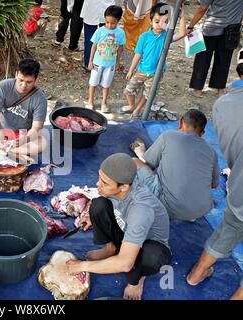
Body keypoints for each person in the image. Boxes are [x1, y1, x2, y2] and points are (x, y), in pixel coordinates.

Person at [66, 153, 171, 300]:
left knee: (150, 257)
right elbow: (105, 205)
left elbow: (125, 264)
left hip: (148, 245)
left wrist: (81, 266)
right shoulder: (118, 187)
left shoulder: (141, 209)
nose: (98, 184)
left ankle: (138, 279)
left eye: (105, 183)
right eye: (99, 178)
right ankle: (111, 249)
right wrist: (92, 217)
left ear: (123, 187)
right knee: (97, 205)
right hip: (126, 230)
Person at [186, 48, 243, 300]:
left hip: (240, 187)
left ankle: (197, 273)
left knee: (227, 230)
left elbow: (231, 153)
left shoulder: (224, 104)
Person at [130, 109, 219, 221]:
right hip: (200, 211)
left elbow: (149, 164)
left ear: (180, 123)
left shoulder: (168, 136)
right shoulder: (212, 151)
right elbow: (214, 185)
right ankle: (188, 213)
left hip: (168, 207)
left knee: (134, 162)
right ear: (202, 133)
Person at [119, 3, 186, 118]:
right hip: (141, 71)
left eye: (164, 22)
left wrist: (182, 17)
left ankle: (138, 110)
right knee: (128, 91)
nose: (160, 25)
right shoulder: (144, 36)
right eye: (156, 21)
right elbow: (137, 55)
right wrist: (131, 70)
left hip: (156, 73)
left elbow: (182, 34)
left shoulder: (167, 36)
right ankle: (131, 106)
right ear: (150, 21)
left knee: (148, 94)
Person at [187, 0, 243, 98]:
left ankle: (197, 90)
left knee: (202, 61)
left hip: (210, 29)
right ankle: (220, 90)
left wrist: (191, 26)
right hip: (231, 31)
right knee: (224, 61)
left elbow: (202, 8)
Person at [86, 5, 125, 113]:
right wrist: (90, 61)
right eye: (107, 22)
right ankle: (90, 101)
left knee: (106, 84)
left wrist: (117, 62)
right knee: (93, 83)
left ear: (118, 21)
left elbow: (120, 48)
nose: (109, 25)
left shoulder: (120, 33)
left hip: (110, 64)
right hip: (97, 63)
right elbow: (94, 46)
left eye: (113, 23)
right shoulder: (100, 31)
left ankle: (104, 102)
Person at [122, 0, 157, 71]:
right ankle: (130, 67)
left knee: (148, 31)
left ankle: (145, 66)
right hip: (132, 6)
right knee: (130, 30)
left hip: (150, 6)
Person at [80, 0, 115, 69]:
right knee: (106, 37)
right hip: (107, 6)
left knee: (90, 38)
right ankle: (103, 63)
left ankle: (88, 63)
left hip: (92, 7)